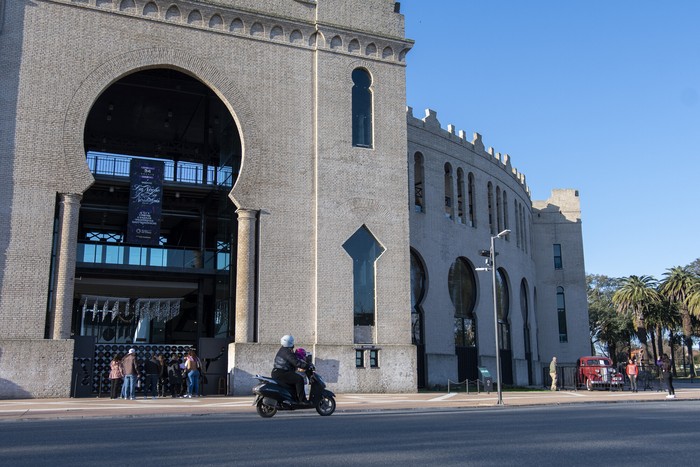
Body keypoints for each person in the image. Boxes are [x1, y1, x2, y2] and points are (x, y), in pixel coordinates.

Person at [272, 334, 310, 405]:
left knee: (293, 381)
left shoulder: (283, 349)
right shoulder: (288, 352)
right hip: (282, 373)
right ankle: (302, 400)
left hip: (278, 372)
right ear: (290, 342)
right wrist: (306, 365)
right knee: (299, 379)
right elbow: (295, 362)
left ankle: (294, 399)